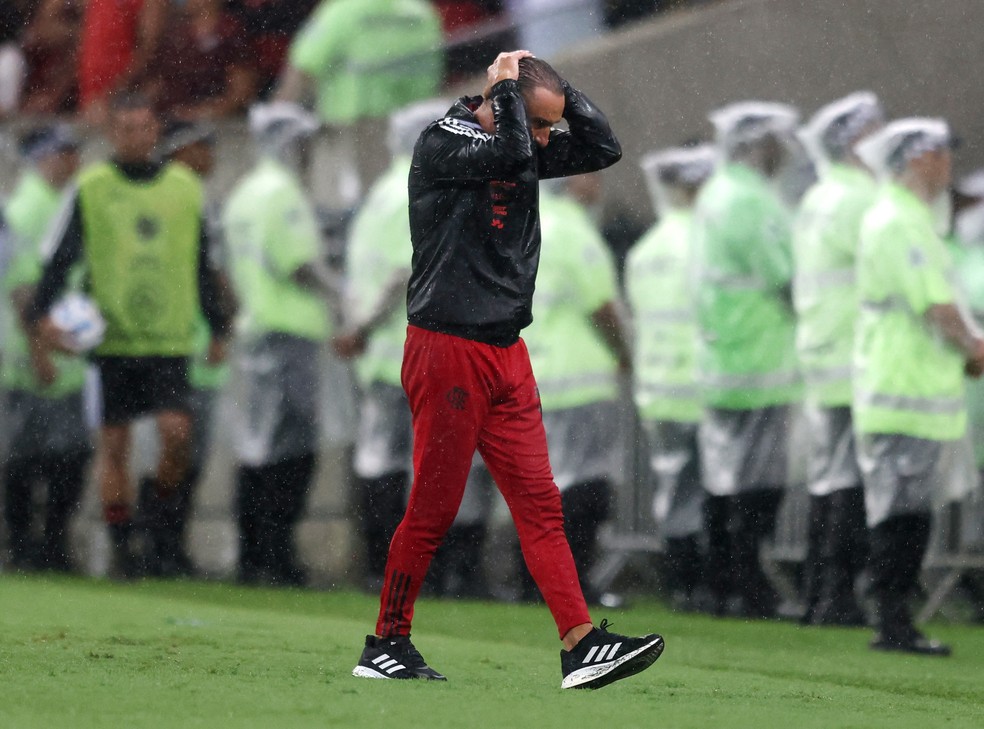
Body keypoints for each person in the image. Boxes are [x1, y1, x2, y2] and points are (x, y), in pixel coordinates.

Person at [351, 50, 663, 689]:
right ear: (499, 103)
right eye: (540, 123)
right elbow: (514, 156)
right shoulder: (442, 141)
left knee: (541, 502)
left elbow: (602, 147)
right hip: (447, 348)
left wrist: (556, 89)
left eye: (550, 126)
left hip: (504, 351)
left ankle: (579, 646)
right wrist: (513, 96)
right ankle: (385, 640)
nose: (550, 140)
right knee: (435, 507)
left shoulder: (518, 138)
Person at [26, 92, 232, 579]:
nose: (134, 137)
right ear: (111, 134)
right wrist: (40, 317)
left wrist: (218, 325)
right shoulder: (92, 187)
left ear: (155, 131)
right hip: (113, 340)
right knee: (114, 446)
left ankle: (157, 528)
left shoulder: (185, 188)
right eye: (123, 128)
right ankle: (124, 548)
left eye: (142, 127)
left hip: (169, 338)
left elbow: (203, 262)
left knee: (177, 436)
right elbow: (60, 259)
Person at [852, 118, 984, 655]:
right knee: (903, 516)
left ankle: (892, 618)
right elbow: (936, 304)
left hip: (910, 389)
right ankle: (892, 622)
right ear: (915, 158)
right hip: (905, 388)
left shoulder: (904, 218)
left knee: (903, 513)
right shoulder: (901, 221)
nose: (946, 162)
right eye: (938, 152)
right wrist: (974, 348)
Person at [332, 99, 450, 593]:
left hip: (379, 354)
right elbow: (405, 272)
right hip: (411, 350)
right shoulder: (421, 189)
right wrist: (363, 326)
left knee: (378, 458)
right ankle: (412, 570)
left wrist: (356, 326)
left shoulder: (380, 191)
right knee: (421, 464)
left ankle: (377, 565)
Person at [223, 101, 340, 587]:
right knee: (293, 450)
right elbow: (299, 263)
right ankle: (276, 554)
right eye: (303, 143)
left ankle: (253, 553)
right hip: (289, 331)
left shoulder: (244, 193)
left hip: (255, 328)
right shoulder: (284, 194)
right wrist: (343, 294)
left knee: (257, 446)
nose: (309, 152)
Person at [693, 101, 801, 619]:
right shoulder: (753, 201)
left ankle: (721, 583)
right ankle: (746, 583)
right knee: (759, 485)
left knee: (723, 479)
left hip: (722, 355)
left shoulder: (717, 192)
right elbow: (785, 276)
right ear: (759, 143)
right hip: (759, 359)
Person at [792, 92, 884, 626]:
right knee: (850, 479)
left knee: (829, 478)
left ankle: (818, 592)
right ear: (853, 140)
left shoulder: (820, 196)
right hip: (855, 355)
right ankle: (836, 595)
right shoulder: (861, 199)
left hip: (823, 353)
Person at [519, 171, 630, 608]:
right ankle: (572, 581)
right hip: (576, 376)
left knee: (537, 486)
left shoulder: (529, 222)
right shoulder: (573, 229)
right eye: (588, 173)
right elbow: (601, 305)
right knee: (583, 485)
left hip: (533, 373)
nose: (598, 181)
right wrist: (625, 350)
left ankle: (532, 579)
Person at [133, 119, 233, 577]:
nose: (210, 155)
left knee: (181, 450)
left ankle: (162, 543)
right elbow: (207, 273)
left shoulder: (181, 198)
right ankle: (157, 544)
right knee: (176, 447)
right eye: (202, 145)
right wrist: (219, 325)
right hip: (178, 341)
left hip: (172, 339)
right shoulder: (186, 199)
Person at [625, 144, 716, 612]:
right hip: (703, 388)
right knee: (716, 494)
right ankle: (711, 586)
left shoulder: (647, 248)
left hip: (659, 390)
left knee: (674, 493)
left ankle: (681, 585)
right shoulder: (706, 243)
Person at [2, 124, 90, 572]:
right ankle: (27, 547)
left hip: (64, 350)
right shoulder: (26, 209)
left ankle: (48, 545)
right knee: (26, 457)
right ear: (41, 158)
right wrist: (38, 348)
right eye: (63, 153)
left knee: (67, 456)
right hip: (30, 354)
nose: (72, 160)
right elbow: (21, 287)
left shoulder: (59, 202)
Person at [149, 0, 256, 122]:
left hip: (218, 123)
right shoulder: (175, 31)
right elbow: (156, 82)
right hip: (170, 120)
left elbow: (241, 91)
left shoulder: (230, 30)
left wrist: (203, 112)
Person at [77, 0, 169, 124]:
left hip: (122, 100)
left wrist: (108, 95)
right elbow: (85, 42)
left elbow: (149, 50)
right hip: (91, 97)